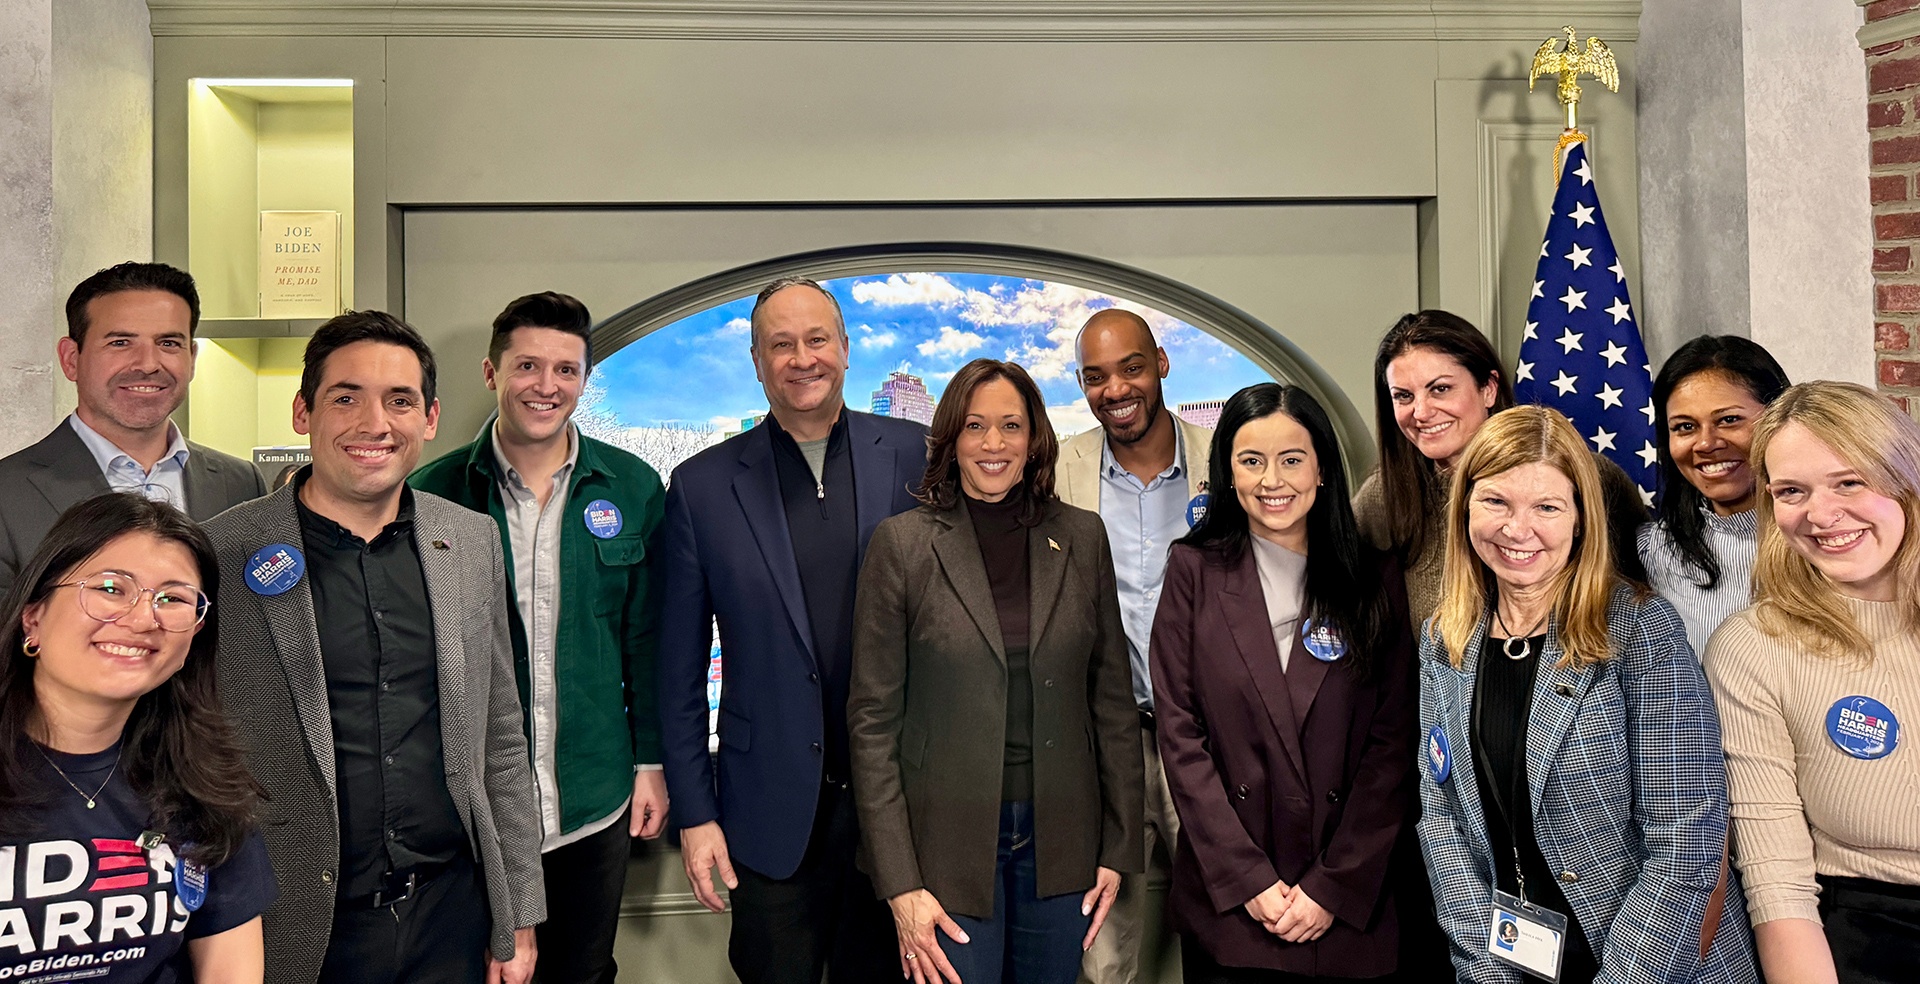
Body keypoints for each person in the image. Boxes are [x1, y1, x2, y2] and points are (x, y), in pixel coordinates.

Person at [203, 311, 545, 984]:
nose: (374, 424)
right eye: (346, 397)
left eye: (400, 401)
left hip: (451, 912)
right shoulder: (220, 552)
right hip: (294, 926)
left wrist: (520, 914)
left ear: (431, 418)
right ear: (303, 412)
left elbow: (502, 740)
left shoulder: (471, 542)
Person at [1417, 405, 1757, 984]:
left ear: (1580, 520)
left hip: (1650, 963)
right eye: (1495, 501)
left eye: (1547, 507)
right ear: (1464, 508)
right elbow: (1442, 820)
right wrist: (1489, 969)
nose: (1516, 529)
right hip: (1515, 962)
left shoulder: (1640, 628)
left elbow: (1685, 843)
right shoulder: (1443, 636)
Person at [657, 277, 926, 984]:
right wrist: (695, 813)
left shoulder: (919, 455)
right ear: (755, 360)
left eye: (816, 340)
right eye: (781, 344)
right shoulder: (701, 486)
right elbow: (676, 670)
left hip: (902, 809)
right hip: (766, 811)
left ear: (845, 348)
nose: (801, 358)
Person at [848, 358, 1143, 984]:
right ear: (950, 439)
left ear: (1034, 437)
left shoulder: (1083, 538)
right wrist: (899, 883)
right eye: (976, 426)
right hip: (943, 850)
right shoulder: (901, 545)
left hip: (1063, 845)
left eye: (1011, 425)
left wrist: (1118, 849)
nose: (993, 444)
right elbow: (872, 726)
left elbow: (1111, 703)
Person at [411, 291, 668, 984]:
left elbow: (646, 639)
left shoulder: (634, 487)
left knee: (583, 973)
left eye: (566, 370)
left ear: (584, 381)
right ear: (493, 374)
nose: (546, 386)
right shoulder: (433, 494)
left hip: (594, 794)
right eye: (528, 365)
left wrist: (650, 762)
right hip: (473, 808)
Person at [1150, 383, 1416, 983]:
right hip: (1235, 905)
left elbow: (1392, 747)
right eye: (1251, 460)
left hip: (1347, 902)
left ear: (1322, 469)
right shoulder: (1192, 571)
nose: (1273, 480)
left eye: (1292, 459)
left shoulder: (1376, 580)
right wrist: (1249, 880)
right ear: (1228, 472)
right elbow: (1180, 734)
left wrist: (1332, 887)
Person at [0, 493, 274, 983]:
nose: (143, 618)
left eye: (172, 599)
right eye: (110, 588)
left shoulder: (206, 784)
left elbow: (230, 968)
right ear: (33, 616)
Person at [1704, 381, 1920, 984]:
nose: (1821, 515)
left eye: (1849, 482)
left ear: (1904, 479)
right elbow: (1778, 880)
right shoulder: (1751, 649)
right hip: (1867, 934)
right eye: (1792, 491)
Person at [1056, 308, 1211, 984]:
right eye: (1095, 376)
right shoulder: (1058, 469)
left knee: (1225, 934)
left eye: (1131, 368)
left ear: (1162, 364)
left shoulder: (1226, 462)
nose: (1115, 389)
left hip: (1208, 744)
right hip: (1101, 748)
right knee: (1101, 954)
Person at [1355, 310, 1650, 629]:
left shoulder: (1587, 474)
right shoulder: (1384, 496)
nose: (1421, 411)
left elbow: (1643, 590)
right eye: (1403, 396)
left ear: (1489, 389)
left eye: (1440, 389)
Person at [0, 262, 266, 597]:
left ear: (192, 358)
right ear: (71, 359)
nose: (148, 363)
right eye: (121, 343)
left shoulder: (241, 483)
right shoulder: (7, 494)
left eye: (168, 343)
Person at [1637, 335, 1790, 655]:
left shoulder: (1826, 537)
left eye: (1729, 420)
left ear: (1780, 418)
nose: (1706, 444)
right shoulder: (1652, 552)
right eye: (1684, 427)